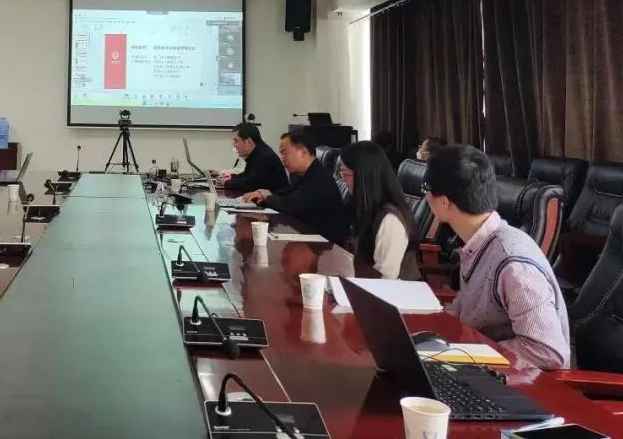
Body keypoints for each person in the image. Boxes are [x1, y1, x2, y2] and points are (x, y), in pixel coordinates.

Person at [424, 144, 570, 370]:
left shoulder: (513, 264)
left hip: (518, 382)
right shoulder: (478, 243)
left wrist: (473, 351)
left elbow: (547, 351)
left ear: (444, 201)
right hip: (481, 366)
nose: (425, 195)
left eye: (426, 188)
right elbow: (470, 313)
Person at [241, 131, 351, 244]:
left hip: (325, 246)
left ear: (303, 152)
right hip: (307, 236)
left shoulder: (320, 179)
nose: (282, 158)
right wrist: (263, 195)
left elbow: (290, 203)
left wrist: (267, 197)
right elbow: (286, 193)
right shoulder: (305, 174)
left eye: (285, 153)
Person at [339, 141, 419, 280]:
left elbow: (385, 278)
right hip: (365, 284)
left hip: (390, 291)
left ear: (364, 177)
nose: (343, 179)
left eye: (345, 174)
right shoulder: (367, 209)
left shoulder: (390, 220)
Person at [219, 122, 289, 193]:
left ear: (248, 142)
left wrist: (227, 183)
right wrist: (231, 177)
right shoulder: (257, 152)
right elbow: (247, 175)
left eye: (236, 141)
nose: (234, 145)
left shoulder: (264, 157)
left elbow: (250, 184)